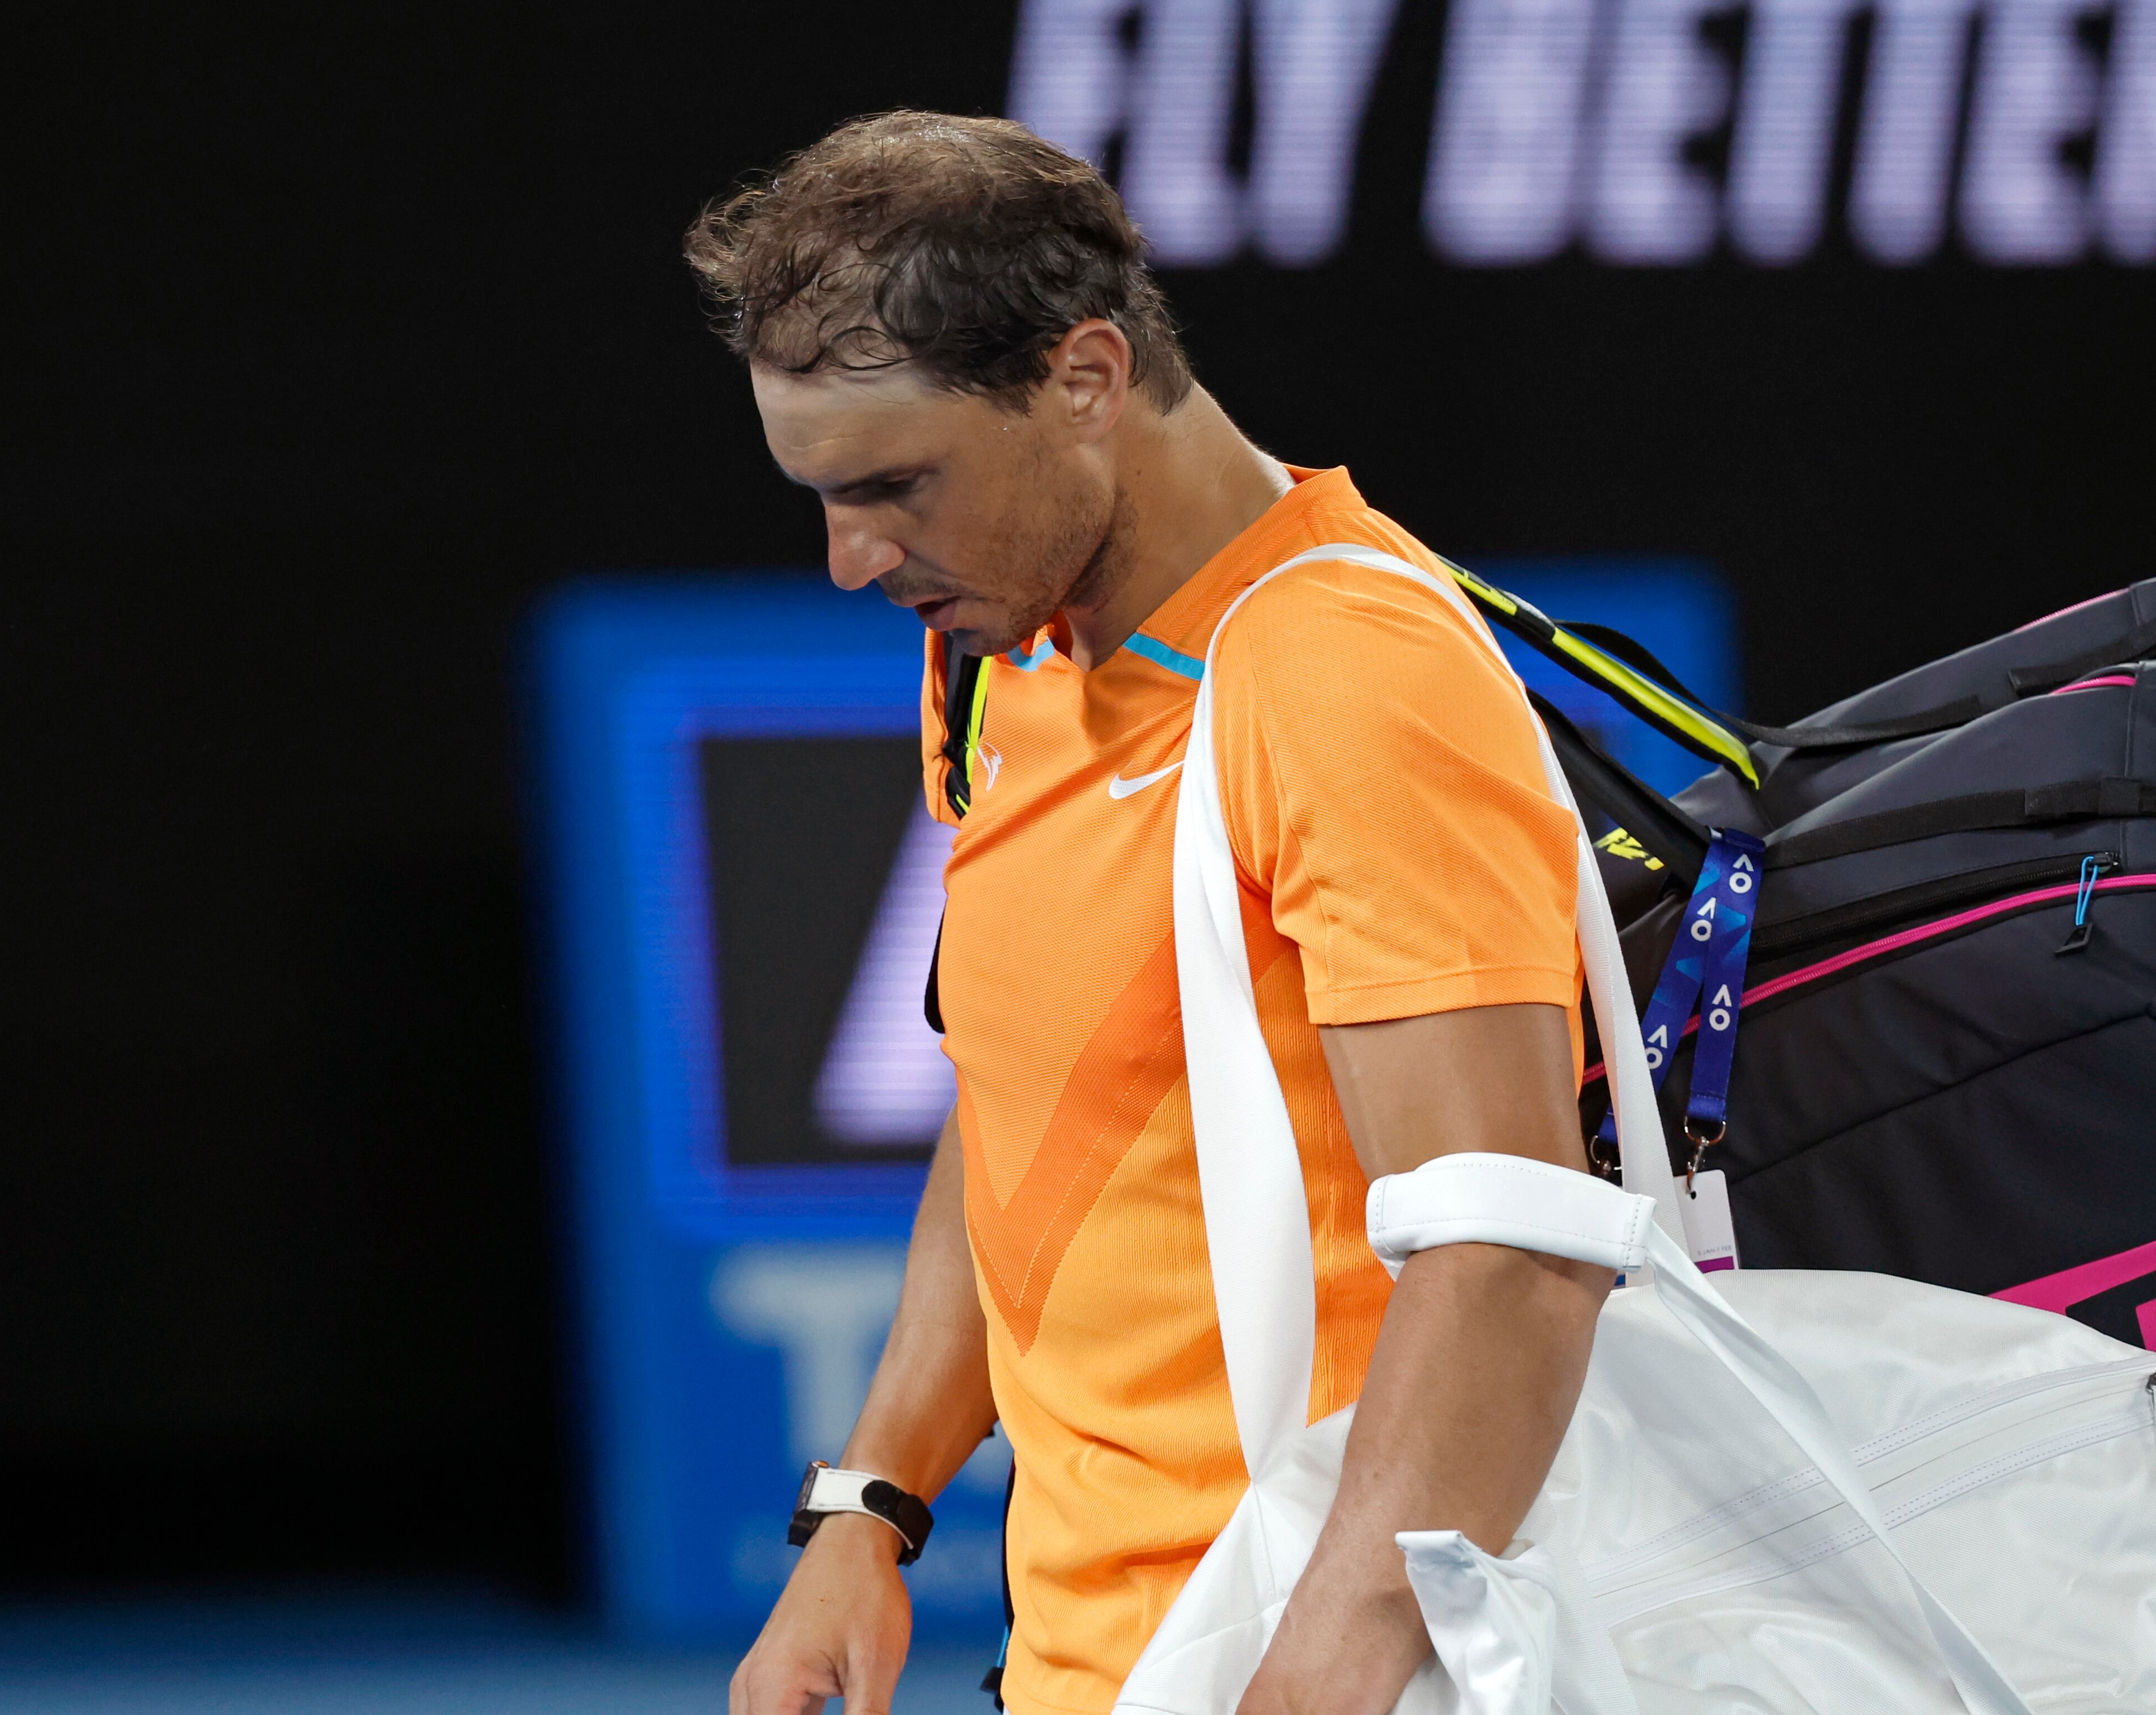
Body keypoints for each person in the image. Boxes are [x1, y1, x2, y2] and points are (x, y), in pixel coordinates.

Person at [686, 111, 1617, 1715]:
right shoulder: (998, 656)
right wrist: (873, 1504)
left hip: (1330, 1665)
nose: (850, 559)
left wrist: (1327, 1670)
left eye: (895, 484)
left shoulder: (1344, 672)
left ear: (1087, 378)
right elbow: (1019, 1110)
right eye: (822, 498)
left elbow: (1512, 1250)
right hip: (1094, 1667)